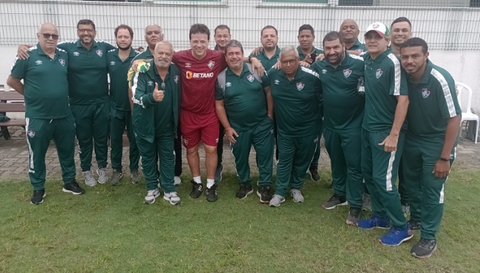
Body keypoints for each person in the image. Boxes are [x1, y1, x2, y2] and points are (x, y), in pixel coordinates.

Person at [7, 23, 85, 204]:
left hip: (64, 115)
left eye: (54, 36)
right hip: (38, 116)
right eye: (47, 35)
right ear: (38, 35)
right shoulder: (27, 55)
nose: (51, 38)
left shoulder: (63, 54)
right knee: (37, 153)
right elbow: (12, 80)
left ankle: (69, 182)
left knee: (67, 151)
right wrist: (31, 94)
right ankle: (38, 187)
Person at [400, 37, 461, 258]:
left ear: (426, 55)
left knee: (433, 189)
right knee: (411, 184)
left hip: (437, 141)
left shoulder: (439, 78)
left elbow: (454, 119)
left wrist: (444, 157)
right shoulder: (404, 76)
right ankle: (416, 219)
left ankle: (428, 237)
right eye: (405, 56)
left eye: (415, 56)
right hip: (413, 139)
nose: (409, 60)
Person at [356, 22, 412, 246]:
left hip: (386, 132)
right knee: (369, 175)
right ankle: (380, 216)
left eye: (377, 37)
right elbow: (351, 53)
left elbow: (403, 99)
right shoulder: (368, 59)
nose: (372, 40)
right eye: (369, 36)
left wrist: (394, 135)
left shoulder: (392, 62)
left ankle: (401, 226)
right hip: (368, 128)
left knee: (385, 180)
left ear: (387, 40)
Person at [312, 31, 365, 225]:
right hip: (331, 125)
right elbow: (305, 71)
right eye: (327, 48)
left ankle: (356, 205)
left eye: (335, 47)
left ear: (344, 46)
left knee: (354, 166)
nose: (331, 51)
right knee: (337, 162)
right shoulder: (320, 66)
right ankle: (339, 194)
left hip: (354, 126)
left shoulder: (360, 65)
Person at [215, 40, 274, 203]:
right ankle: (245, 183)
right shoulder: (221, 78)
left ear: (243, 55)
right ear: (225, 57)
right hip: (238, 128)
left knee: (264, 156)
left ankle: (265, 186)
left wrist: (270, 115)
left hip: (262, 124)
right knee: (240, 158)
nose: (234, 57)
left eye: (237, 53)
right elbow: (219, 105)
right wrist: (227, 127)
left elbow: (269, 92)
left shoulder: (257, 70)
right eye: (231, 54)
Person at [264, 46, 322, 207]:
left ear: (299, 61)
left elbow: (324, 98)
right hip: (285, 129)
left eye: (292, 61)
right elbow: (260, 82)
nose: (288, 64)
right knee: (284, 160)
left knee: (302, 160)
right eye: (284, 61)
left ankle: (296, 188)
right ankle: (280, 192)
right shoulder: (273, 74)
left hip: (308, 130)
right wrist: (252, 58)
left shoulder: (312, 77)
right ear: (279, 62)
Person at [128, 24, 182, 186]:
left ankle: (169, 180)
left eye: (156, 32)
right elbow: (133, 91)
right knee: (149, 154)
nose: (164, 56)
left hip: (167, 122)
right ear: (145, 37)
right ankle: (152, 183)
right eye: (149, 33)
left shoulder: (175, 69)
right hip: (146, 118)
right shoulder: (139, 63)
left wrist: (250, 57)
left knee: (168, 153)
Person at [107, 24, 140, 185]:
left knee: (134, 141)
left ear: (131, 38)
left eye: (126, 36)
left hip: (134, 108)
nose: (123, 39)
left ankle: (134, 169)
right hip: (115, 107)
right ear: (116, 38)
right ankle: (117, 170)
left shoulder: (138, 58)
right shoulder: (109, 56)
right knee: (116, 141)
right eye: (120, 36)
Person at [390, 17, 413, 215]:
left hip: (412, 122)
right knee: (389, 165)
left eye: (404, 30)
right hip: (389, 121)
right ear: (390, 35)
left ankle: (405, 200)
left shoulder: (413, 56)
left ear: (410, 33)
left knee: (407, 166)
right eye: (396, 30)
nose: (400, 33)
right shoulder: (384, 57)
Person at [213, 24, 232, 182]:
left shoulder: (233, 51)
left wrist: (253, 58)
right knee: (217, 137)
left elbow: (243, 59)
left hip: (233, 101)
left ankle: (241, 167)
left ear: (230, 37)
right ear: (214, 37)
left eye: (225, 35)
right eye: (219, 36)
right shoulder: (209, 54)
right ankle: (218, 166)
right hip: (215, 102)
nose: (222, 38)